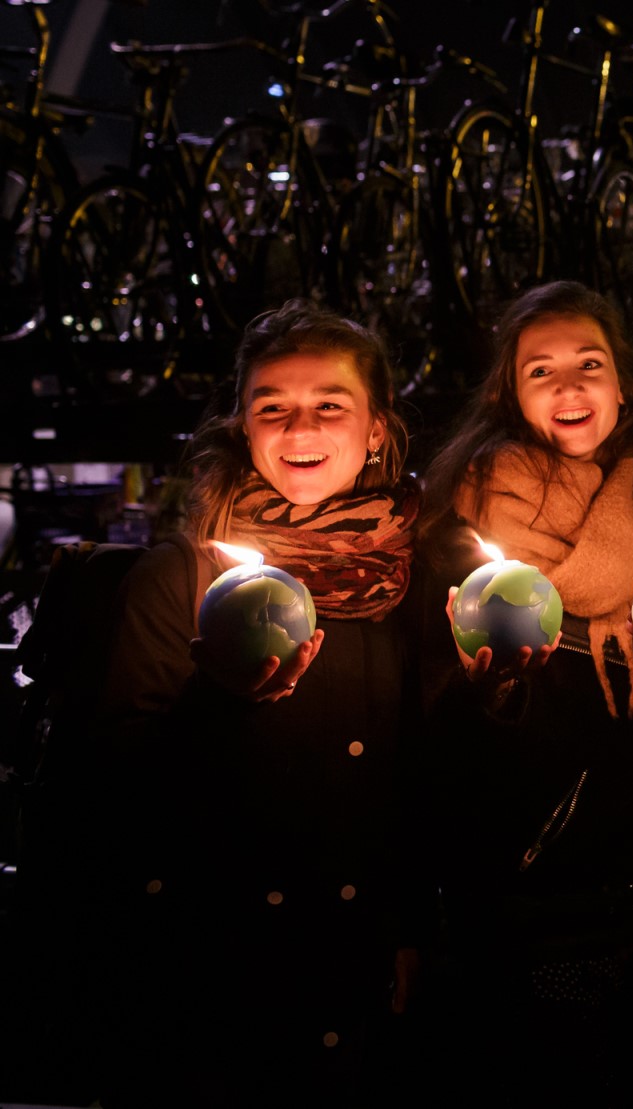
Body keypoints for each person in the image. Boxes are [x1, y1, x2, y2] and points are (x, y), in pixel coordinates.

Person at [100, 301, 427, 1106]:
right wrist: (222, 703)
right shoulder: (180, 577)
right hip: (218, 969)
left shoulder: (414, 576)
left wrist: (412, 926)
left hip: (363, 967)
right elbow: (115, 786)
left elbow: (424, 781)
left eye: (329, 405)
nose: (299, 426)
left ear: (377, 429)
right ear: (243, 427)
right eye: (272, 407)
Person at [417, 280, 633, 1106]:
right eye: (541, 370)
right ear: (510, 394)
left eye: (590, 364)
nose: (571, 386)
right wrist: (496, 697)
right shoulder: (464, 517)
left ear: (625, 383)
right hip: (521, 888)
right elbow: (437, 727)